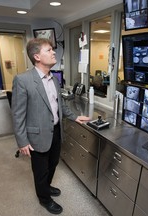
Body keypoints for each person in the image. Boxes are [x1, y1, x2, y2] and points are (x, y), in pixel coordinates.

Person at [11, 38, 90, 214]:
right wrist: (22, 141)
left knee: (53, 164)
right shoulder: (22, 80)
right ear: (37, 56)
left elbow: (59, 105)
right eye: (49, 50)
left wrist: (74, 117)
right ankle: (44, 199)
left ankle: (46, 188)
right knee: (40, 171)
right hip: (36, 135)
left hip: (55, 131)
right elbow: (17, 114)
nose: (54, 52)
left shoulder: (54, 79)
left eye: (53, 50)